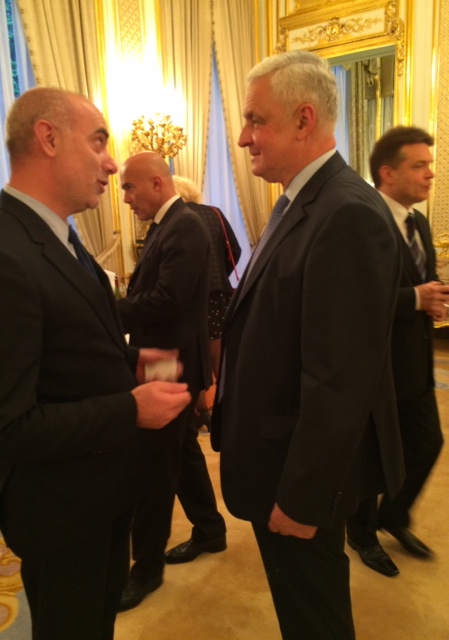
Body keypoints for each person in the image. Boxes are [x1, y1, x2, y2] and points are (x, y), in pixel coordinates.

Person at [0, 87, 191, 640]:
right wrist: (129, 410)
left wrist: (134, 359)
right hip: (59, 509)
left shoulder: (55, 233)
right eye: (98, 142)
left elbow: (69, 341)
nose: (112, 164)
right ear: (47, 139)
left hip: (98, 491)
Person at [210, 51, 405, 640]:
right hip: (275, 453)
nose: (243, 138)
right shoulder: (301, 200)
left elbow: (340, 380)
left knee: (314, 616)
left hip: (296, 472)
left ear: (303, 119)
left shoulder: (346, 212)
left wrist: (302, 498)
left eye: (255, 120)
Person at [116, 152, 227, 610]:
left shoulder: (183, 226)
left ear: (157, 183)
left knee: (153, 469)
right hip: (165, 359)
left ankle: (146, 570)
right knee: (180, 450)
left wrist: (105, 310)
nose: (126, 198)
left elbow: (166, 301)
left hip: (170, 364)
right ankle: (211, 530)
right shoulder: (169, 225)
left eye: (129, 187)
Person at [346, 126, 446, 577]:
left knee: (427, 443)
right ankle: (361, 534)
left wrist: (432, 298)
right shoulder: (362, 219)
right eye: (419, 165)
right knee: (371, 456)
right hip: (376, 367)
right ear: (387, 173)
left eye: (429, 164)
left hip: (415, 363)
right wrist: (413, 299)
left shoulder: (418, 222)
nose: (430, 173)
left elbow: (419, 280)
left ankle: (393, 515)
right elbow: (351, 299)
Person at [171, 175, 241, 429]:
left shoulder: (176, 218)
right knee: (220, 358)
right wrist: (219, 272)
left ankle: (202, 412)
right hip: (218, 293)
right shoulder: (214, 213)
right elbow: (235, 250)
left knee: (193, 356)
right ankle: (229, 411)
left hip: (189, 298)